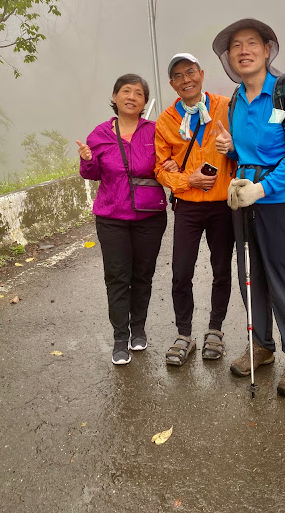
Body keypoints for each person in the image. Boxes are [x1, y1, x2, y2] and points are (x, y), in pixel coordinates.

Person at [213, 18, 285, 397]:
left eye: (251, 43)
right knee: (250, 277)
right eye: (236, 45)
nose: (243, 51)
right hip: (243, 202)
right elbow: (248, 153)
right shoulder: (238, 100)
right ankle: (261, 346)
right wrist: (232, 151)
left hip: (280, 204)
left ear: (267, 49)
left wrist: (263, 188)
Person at [76, 74, 177, 366]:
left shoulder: (156, 131)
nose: (131, 97)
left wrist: (170, 164)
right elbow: (92, 174)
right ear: (115, 96)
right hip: (112, 216)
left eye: (138, 93)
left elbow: (167, 164)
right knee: (117, 277)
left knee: (142, 275)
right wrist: (87, 159)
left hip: (149, 216)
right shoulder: (100, 134)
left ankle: (139, 329)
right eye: (126, 91)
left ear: (145, 101)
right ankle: (121, 339)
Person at [154, 53, 236, 366]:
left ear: (201, 74)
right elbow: (160, 168)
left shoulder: (226, 107)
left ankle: (215, 330)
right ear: (172, 84)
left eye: (191, 72)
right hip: (187, 206)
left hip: (222, 205)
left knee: (221, 270)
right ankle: (184, 333)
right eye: (179, 75)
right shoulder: (166, 120)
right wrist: (188, 179)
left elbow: (246, 146)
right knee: (181, 272)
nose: (186, 79)